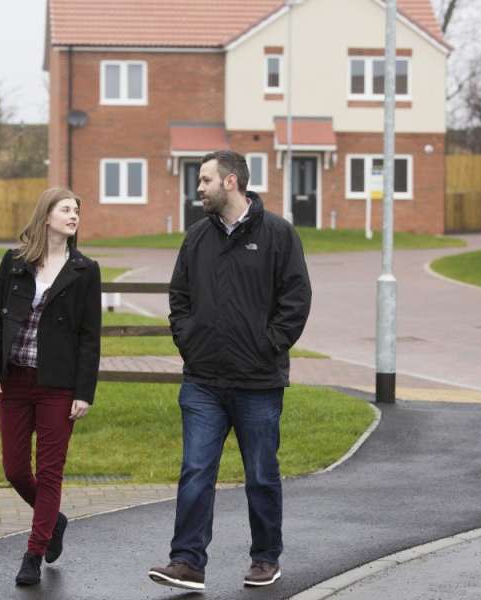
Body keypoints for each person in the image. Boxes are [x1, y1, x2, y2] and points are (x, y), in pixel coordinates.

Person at [148, 150, 312, 591]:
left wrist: (268, 345)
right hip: (203, 380)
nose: (198, 188)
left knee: (261, 474)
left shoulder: (278, 235)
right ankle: (186, 562)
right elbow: (178, 297)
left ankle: (265, 558)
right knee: (196, 469)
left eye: (205, 180)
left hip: (258, 382)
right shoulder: (196, 237)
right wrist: (189, 340)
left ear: (231, 182)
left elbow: (296, 300)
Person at [0, 187, 101, 586]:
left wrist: (84, 392)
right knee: (15, 469)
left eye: (76, 210)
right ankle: (55, 521)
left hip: (58, 385)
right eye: (65, 209)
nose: (73, 215)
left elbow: (89, 336)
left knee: (50, 473)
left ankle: (33, 553)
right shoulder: (14, 263)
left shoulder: (85, 270)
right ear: (45, 216)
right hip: (14, 380)